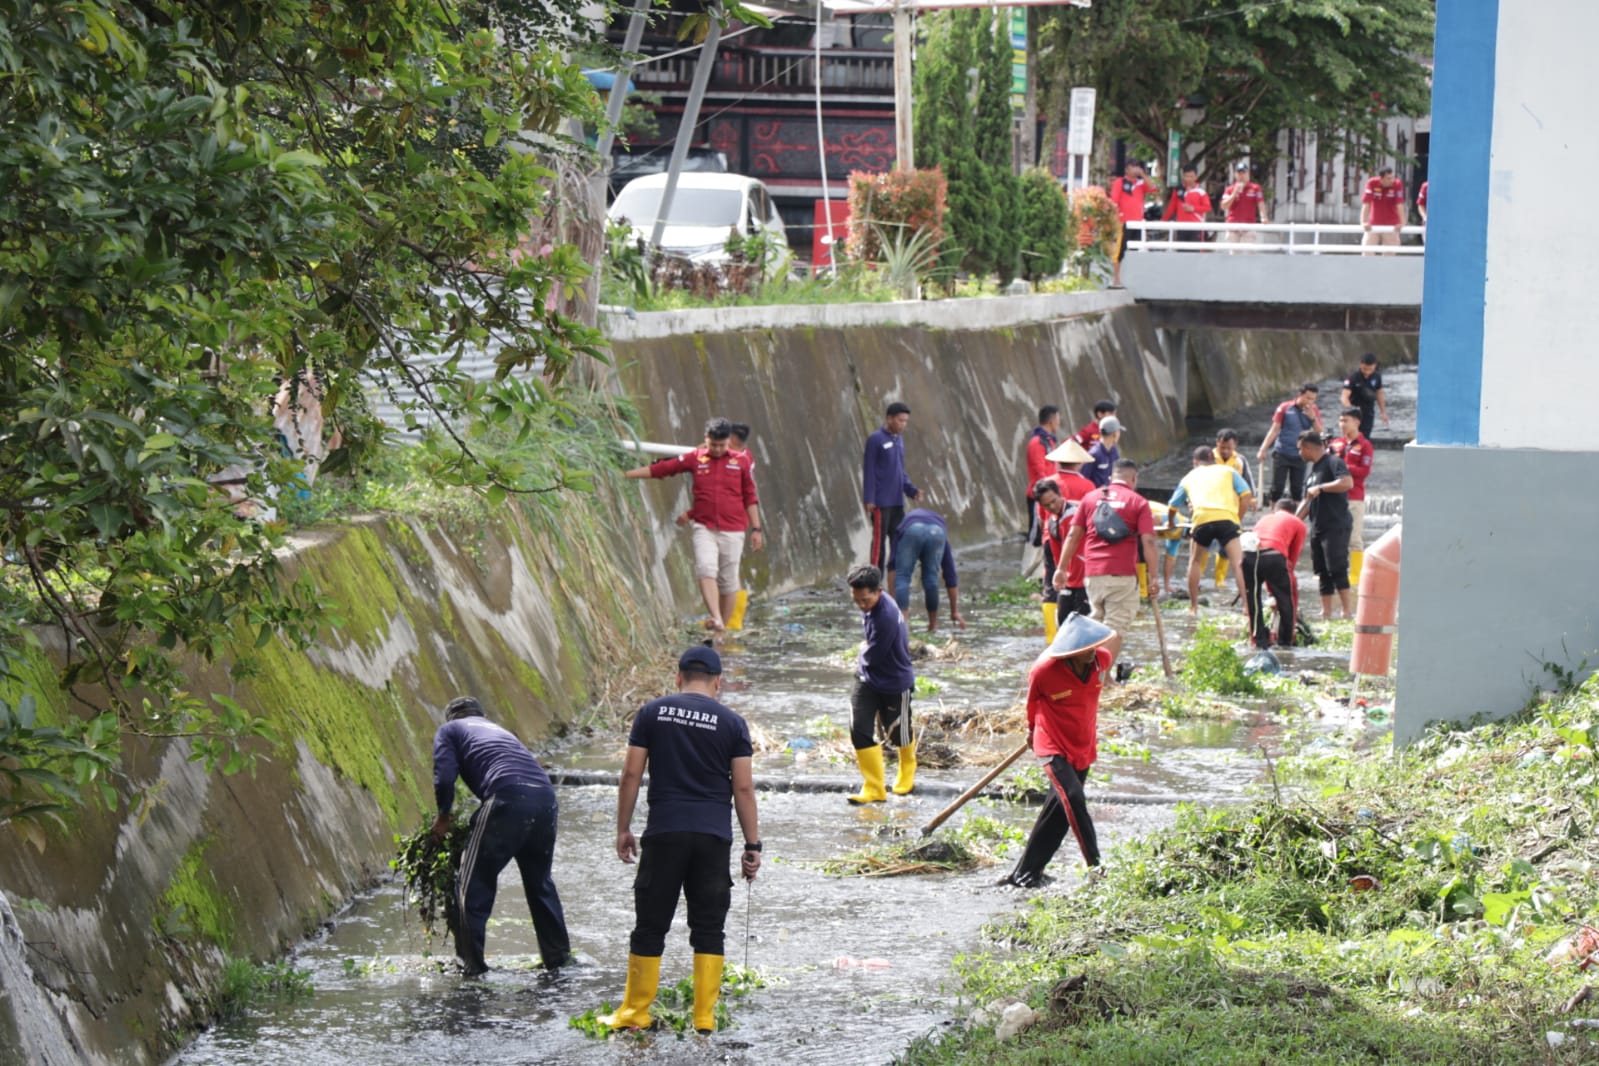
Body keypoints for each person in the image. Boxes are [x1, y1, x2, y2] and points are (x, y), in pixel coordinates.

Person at [603, 646, 760, 1034]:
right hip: (713, 837)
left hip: (664, 833)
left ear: (678, 677)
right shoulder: (733, 723)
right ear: (717, 683)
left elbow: (630, 775)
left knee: (650, 924)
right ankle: (704, 1018)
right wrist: (752, 845)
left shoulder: (652, 713)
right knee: (709, 927)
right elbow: (742, 788)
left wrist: (623, 828)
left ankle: (636, 1013)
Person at [431, 696, 571, 977]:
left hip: (507, 797)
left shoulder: (450, 730)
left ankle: (470, 967)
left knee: (471, 882)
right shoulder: (500, 732)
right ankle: (558, 959)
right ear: (481, 714)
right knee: (540, 882)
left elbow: (444, 776)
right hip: (545, 799)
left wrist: (443, 817)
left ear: (452, 717)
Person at [998, 613, 1121, 888]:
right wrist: (1031, 730)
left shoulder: (1102, 660)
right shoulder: (1044, 670)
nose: (1090, 653)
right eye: (1083, 649)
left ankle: (1026, 874)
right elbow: (1031, 704)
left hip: (1082, 742)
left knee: (1058, 813)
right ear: (1069, 652)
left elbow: (1110, 649)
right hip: (1051, 743)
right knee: (1074, 799)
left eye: (1092, 647)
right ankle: (1097, 869)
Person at [626, 417, 763, 632]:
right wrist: (627, 474)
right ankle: (716, 617)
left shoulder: (741, 462)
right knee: (705, 568)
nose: (717, 449)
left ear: (728, 442)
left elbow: (750, 496)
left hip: (734, 529)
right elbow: (664, 468)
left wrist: (756, 529)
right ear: (705, 440)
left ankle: (721, 630)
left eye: (721, 445)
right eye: (712, 445)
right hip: (704, 527)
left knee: (728, 583)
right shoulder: (695, 458)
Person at [1061, 459, 1159, 669]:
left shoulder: (1090, 498)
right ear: (1133, 479)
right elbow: (1149, 541)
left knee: (1096, 623)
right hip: (1121, 574)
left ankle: (1085, 676)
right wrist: (1154, 577)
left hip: (1092, 574)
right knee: (1115, 627)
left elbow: (1073, 534)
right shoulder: (1138, 502)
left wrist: (1061, 569)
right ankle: (1101, 680)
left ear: (1111, 477)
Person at [845, 564, 918, 803]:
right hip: (867, 678)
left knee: (898, 731)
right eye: (857, 601)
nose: (862, 605)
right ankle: (874, 787)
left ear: (879, 591)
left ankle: (907, 769)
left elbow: (874, 654)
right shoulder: (870, 603)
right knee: (859, 728)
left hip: (895, 681)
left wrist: (860, 652)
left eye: (866, 600)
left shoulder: (886, 615)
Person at [1166, 446, 1253, 615]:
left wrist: (1170, 523)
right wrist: (1237, 518)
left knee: (1195, 561)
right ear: (1213, 458)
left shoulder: (1189, 477)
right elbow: (1247, 495)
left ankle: (1193, 607)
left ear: (1195, 462)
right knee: (1238, 563)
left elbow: (1172, 506)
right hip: (1227, 519)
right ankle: (1247, 607)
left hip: (1202, 520)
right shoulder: (1228, 471)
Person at [863, 402, 920, 598]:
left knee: (898, 543)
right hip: (880, 502)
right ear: (889, 419)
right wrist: (869, 498)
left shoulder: (899, 441)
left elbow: (900, 471)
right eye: (900, 420)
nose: (903, 424)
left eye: (906, 421)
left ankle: (894, 586)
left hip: (897, 502)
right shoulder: (876, 440)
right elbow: (869, 469)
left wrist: (911, 490)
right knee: (878, 546)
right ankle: (873, 582)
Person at [1296, 430, 1354, 620]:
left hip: (1336, 525)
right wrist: (1291, 522)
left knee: (1336, 567)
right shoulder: (1311, 471)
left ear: (1308, 447)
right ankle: (1326, 612)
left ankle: (1347, 611)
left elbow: (1347, 482)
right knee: (1321, 571)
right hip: (1317, 526)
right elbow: (1307, 502)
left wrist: (1321, 488)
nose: (1299, 454)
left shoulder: (1333, 462)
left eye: (1300, 449)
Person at [1040, 437, 1097, 615]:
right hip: (1078, 541)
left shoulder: (1047, 483)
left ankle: (1053, 637)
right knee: (1078, 584)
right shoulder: (1087, 485)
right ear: (1079, 463)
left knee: (1051, 586)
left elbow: (1042, 516)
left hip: (1051, 537)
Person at [1241, 501, 1308, 650]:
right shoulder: (1297, 522)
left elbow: (1255, 546)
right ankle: (1285, 642)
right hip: (1274, 557)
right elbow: (1291, 561)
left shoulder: (1265, 518)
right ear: (1293, 511)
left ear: (1275, 509)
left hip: (1248, 556)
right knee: (1286, 599)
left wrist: (1270, 591)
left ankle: (1258, 641)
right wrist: (1275, 592)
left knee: (1253, 601)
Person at [890, 508, 964, 634]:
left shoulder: (904, 524)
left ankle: (902, 625)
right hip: (937, 532)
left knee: (902, 577)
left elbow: (892, 566)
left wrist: (891, 606)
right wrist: (954, 611)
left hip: (912, 530)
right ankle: (933, 625)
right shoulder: (941, 530)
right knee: (931, 578)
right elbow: (950, 574)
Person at [1329, 405, 1375, 586]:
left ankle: (1356, 576)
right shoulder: (1335, 444)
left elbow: (1364, 471)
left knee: (1354, 538)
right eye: (1340, 420)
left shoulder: (1365, 446)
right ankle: (1333, 572)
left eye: (1346, 421)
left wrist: (1343, 467)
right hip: (1334, 497)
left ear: (1357, 422)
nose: (1342, 424)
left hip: (1354, 497)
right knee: (1333, 537)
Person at [1256, 384, 1324, 505]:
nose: (1310, 401)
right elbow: (1274, 429)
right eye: (1308, 398)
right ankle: (1274, 514)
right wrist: (1263, 449)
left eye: (1313, 399)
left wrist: (1313, 418)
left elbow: (1321, 434)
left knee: (1297, 489)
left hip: (1301, 455)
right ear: (1300, 394)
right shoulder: (1285, 407)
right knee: (1277, 488)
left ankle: (1296, 517)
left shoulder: (1314, 410)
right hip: (1282, 452)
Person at [1023, 405, 1062, 572]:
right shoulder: (1036, 443)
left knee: (1047, 532)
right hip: (1039, 495)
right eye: (1058, 419)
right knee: (1035, 534)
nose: (1059, 423)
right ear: (1052, 420)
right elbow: (1039, 471)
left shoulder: (1049, 440)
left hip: (1050, 493)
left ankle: (1040, 570)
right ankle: (1026, 570)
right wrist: (1046, 493)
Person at [1108, 159, 1157, 287]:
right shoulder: (1120, 182)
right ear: (1126, 169)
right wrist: (1115, 218)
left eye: (1137, 167)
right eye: (1132, 167)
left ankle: (1134, 278)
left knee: (1136, 251)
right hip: (1124, 222)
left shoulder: (1141, 183)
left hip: (1138, 223)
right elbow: (1114, 201)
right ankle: (1116, 279)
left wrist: (1143, 175)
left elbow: (1153, 188)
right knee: (1119, 251)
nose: (1135, 169)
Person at [1339, 353, 1389, 438]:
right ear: (1361, 365)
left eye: (1370, 369)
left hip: (1368, 413)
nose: (1367, 372)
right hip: (1354, 412)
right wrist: (1351, 410)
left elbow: (1379, 394)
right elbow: (1344, 396)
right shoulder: (1353, 377)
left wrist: (1383, 412)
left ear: (1374, 366)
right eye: (1365, 369)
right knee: (1351, 437)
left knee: (1365, 437)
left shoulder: (1377, 377)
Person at [1162, 166, 1213, 245]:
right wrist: (1163, 221)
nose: (1188, 179)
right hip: (1181, 226)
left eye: (1191, 176)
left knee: (1194, 252)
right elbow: (1172, 207)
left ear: (1196, 177)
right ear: (1183, 176)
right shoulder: (1178, 190)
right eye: (1186, 176)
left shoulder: (1201, 191)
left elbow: (1207, 207)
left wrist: (1193, 208)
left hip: (1196, 226)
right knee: (1182, 252)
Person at [1220, 163, 1267, 246]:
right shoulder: (1229, 189)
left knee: (1249, 254)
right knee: (1233, 254)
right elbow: (1223, 206)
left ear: (1248, 174)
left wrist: (1263, 217)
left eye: (1244, 173)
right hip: (1233, 225)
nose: (1241, 176)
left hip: (1249, 226)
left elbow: (1260, 203)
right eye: (1239, 173)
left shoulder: (1255, 188)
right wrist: (1234, 194)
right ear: (1235, 175)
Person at [1361, 167, 1406, 253]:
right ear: (1381, 178)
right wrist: (1363, 221)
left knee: (1390, 255)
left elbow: (1400, 205)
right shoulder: (1372, 183)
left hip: (1392, 225)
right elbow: (1366, 203)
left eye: (1392, 177)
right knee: (1366, 251)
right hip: (1373, 225)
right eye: (1388, 178)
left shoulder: (1397, 184)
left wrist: (1402, 223)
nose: (1392, 180)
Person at [1085, 416, 1123, 488]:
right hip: (1096, 497)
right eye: (1119, 431)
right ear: (1115, 434)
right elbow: (1084, 479)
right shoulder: (1094, 454)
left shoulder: (1114, 450)